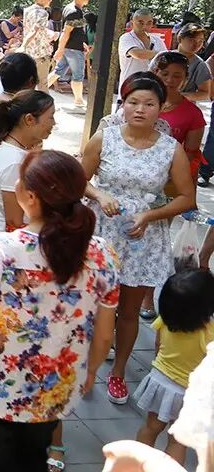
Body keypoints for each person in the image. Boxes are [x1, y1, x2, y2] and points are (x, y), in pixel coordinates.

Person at [0, 150, 118, 472]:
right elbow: (104, 335)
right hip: (55, 391)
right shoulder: (102, 254)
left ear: (30, 196)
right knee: (32, 461)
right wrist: (89, 373)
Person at [81, 73, 194, 405]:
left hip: (142, 238)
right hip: (103, 233)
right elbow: (78, 180)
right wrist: (99, 194)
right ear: (123, 104)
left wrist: (149, 216)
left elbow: (186, 198)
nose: (140, 109)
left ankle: (118, 372)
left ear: (161, 108)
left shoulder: (170, 149)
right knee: (94, 304)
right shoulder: (104, 138)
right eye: (133, 102)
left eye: (149, 103)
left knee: (129, 311)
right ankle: (88, 366)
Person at [132, 269, 214, 464]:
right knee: (177, 440)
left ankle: (136, 465)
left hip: (160, 381)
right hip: (189, 392)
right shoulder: (209, 332)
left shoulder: (165, 321)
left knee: (150, 427)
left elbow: (158, 345)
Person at [0, 89, 57, 234]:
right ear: (29, 119)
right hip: (11, 241)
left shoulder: (18, 151)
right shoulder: (14, 163)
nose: (54, 123)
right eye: (51, 117)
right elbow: (14, 223)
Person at [150, 52, 206, 170]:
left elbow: (190, 155)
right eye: (165, 74)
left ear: (186, 79)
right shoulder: (138, 101)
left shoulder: (193, 114)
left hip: (168, 171)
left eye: (177, 76)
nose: (169, 80)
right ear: (155, 73)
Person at [45, 0, 91, 109]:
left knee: (58, 71)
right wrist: (60, 49)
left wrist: (81, 43)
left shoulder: (71, 9)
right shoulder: (74, 12)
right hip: (73, 49)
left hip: (71, 47)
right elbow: (66, 31)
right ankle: (79, 101)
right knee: (78, 75)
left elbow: (76, 30)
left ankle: (39, 91)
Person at [119, 8, 168, 89]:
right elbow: (138, 54)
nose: (145, 26)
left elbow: (166, 59)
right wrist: (159, 54)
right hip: (131, 86)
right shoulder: (126, 38)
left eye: (149, 23)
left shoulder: (157, 40)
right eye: (141, 23)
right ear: (132, 23)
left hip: (152, 87)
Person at [20, 0, 56, 87]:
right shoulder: (43, 13)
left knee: (28, 82)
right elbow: (34, 30)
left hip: (29, 52)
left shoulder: (27, 11)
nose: (51, 0)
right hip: (41, 52)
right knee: (42, 84)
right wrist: (23, 45)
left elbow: (30, 29)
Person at [173, 22, 212, 100]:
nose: (196, 44)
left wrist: (179, 97)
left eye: (200, 41)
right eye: (192, 40)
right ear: (180, 38)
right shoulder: (162, 56)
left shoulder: (200, 65)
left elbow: (205, 93)